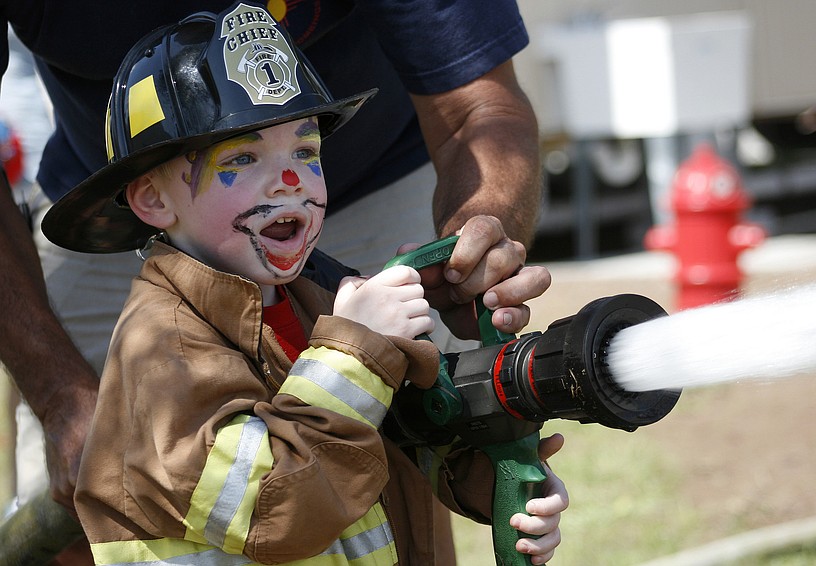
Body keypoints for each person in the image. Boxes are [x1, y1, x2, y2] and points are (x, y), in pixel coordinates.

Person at [39, 5, 567, 565]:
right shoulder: (161, 353)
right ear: (152, 198)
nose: (290, 179)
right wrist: (359, 357)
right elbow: (275, 506)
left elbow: (389, 447)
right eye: (242, 157)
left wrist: (485, 476)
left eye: (305, 150)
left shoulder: (317, 297)